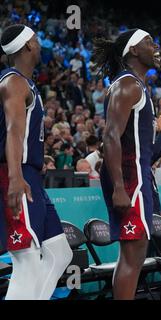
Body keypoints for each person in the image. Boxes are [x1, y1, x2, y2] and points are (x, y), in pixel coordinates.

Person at [0, 24, 72, 300]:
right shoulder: (13, 81)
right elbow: (13, 130)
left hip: (29, 174)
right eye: (37, 38)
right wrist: (16, 176)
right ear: (28, 45)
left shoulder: (24, 82)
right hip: (15, 174)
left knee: (59, 252)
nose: (41, 43)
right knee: (26, 259)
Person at [93, 28, 160, 300]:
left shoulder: (134, 85)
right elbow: (109, 135)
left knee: (132, 256)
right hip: (130, 178)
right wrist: (119, 186)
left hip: (135, 174)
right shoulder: (128, 84)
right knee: (133, 256)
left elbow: (113, 137)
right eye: (149, 42)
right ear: (133, 50)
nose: (155, 47)